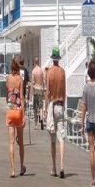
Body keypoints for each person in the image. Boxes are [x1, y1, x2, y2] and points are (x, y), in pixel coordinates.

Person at [45, 47, 67, 178]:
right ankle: (62, 166)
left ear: (52, 58)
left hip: (52, 105)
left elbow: (47, 92)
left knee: (52, 139)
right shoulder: (62, 72)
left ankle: (53, 167)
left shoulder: (50, 72)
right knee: (61, 138)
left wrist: (45, 109)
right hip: (61, 105)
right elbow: (64, 91)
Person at [5, 57, 26, 178]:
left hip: (10, 110)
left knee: (11, 142)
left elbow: (7, 94)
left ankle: (13, 170)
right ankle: (22, 166)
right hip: (18, 111)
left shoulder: (8, 78)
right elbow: (22, 97)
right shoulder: (19, 79)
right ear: (18, 67)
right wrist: (23, 114)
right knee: (21, 143)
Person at [31, 57, 45, 129]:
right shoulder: (41, 70)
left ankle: (36, 124)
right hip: (40, 89)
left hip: (35, 89)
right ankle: (42, 119)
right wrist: (43, 90)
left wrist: (31, 93)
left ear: (34, 62)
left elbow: (33, 82)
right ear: (38, 62)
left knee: (35, 107)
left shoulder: (33, 71)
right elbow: (43, 81)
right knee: (41, 106)